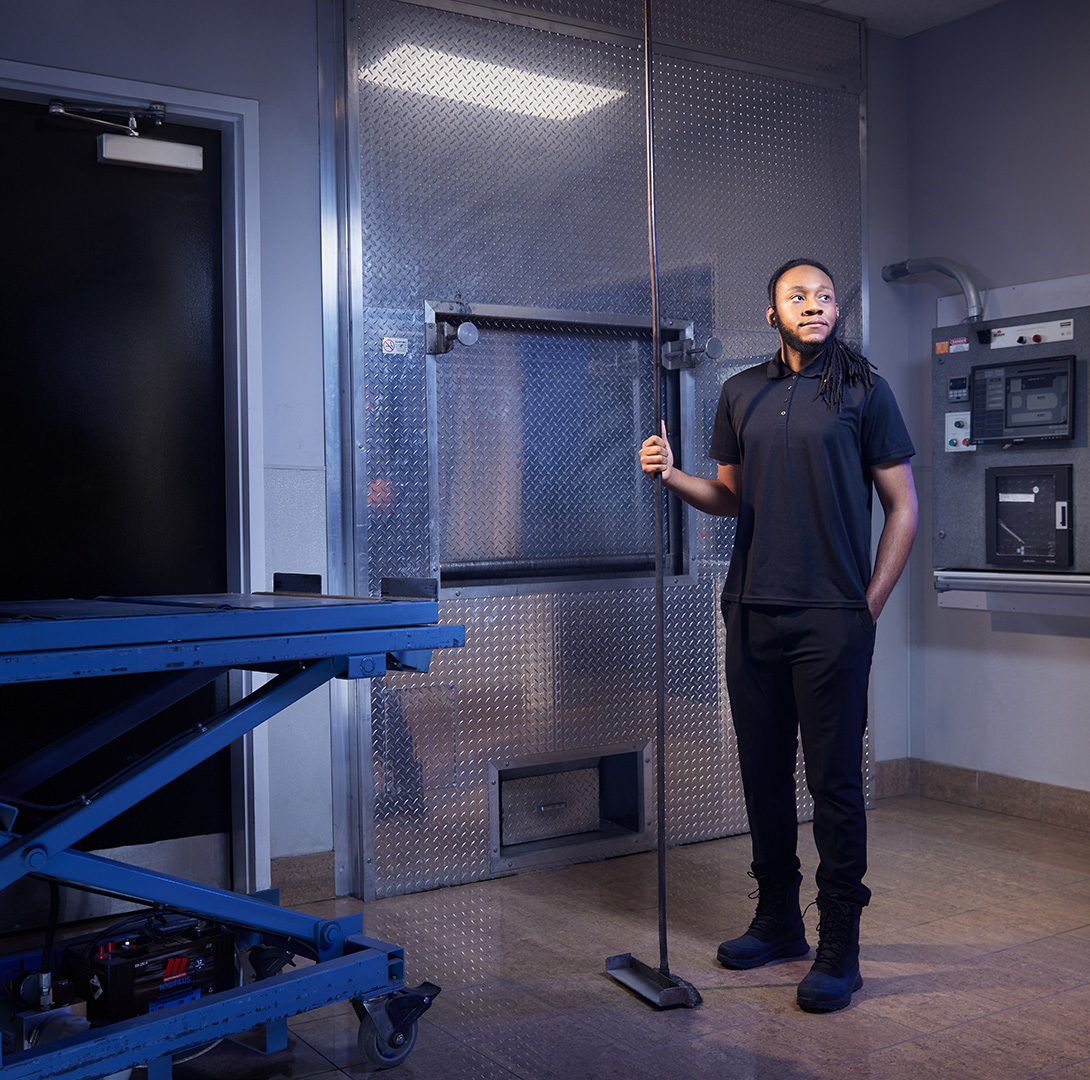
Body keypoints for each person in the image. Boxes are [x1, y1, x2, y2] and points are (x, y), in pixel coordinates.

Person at [639, 259, 917, 1012]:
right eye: (799, 296)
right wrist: (670, 477)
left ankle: (839, 945)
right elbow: (729, 497)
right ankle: (777, 921)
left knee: (834, 785)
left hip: (832, 618)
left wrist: (870, 604)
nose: (815, 305)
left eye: (825, 296)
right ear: (772, 313)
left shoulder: (864, 390)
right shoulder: (740, 392)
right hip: (752, 610)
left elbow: (903, 508)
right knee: (763, 775)